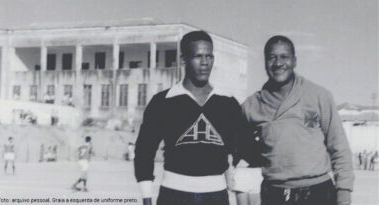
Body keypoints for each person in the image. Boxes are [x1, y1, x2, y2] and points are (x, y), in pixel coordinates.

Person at [134, 30, 247, 205]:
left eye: (209, 56)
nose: (205, 63)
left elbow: (242, 149)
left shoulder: (228, 103)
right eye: (198, 56)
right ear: (183, 59)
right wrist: (147, 198)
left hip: (216, 197)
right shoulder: (162, 102)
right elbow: (144, 151)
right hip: (173, 196)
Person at [240, 35, 354, 205]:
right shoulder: (252, 105)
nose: (278, 63)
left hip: (318, 192)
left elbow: (339, 146)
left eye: (284, 57)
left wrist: (344, 189)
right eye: (272, 57)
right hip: (274, 193)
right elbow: (242, 146)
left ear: (294, 61)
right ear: (265, 62)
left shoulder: (318, 96)